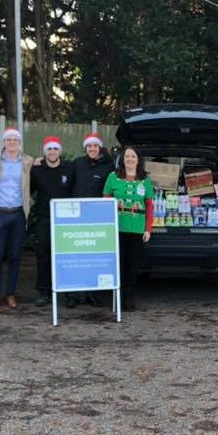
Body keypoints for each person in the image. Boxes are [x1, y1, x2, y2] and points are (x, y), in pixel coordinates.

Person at [0, 127, 33, 310]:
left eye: (15, 140)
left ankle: (10, 294)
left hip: (18, 214)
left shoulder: (27, 161)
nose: (12, 143)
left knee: (15, 256)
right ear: (4, 142)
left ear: (19, 143)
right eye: (8, 140)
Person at [103, 145, 154, 311]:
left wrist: (148, 228)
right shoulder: (113, 177)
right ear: (122, 159)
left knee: (132, 265)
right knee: (118, 263)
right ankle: (117, 296)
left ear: (138, 159)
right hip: (117, 226)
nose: (130, 159)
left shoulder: (144, 179)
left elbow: (150, 206)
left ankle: (129, 297)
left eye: (133, 156)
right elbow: (105, 201)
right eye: (127, 156)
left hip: (136, 228)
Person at [70, 132, 115, 306]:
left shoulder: (108, 166)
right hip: (76, 216)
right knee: (75, 256)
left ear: (100, 147)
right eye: (89, 146)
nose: (92, 149)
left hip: (97, 217)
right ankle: (73, 294)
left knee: (94, 256)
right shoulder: (77, 164)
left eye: (95, 146)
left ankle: (92, 293)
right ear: (85, 148)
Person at [30, 136, 75, 307]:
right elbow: (29, 190)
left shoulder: (69, 169)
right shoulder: (37, 170)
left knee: (66, 256)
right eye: (49, 149)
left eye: (55, 149)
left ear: (60, 152)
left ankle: (69, 293)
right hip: (44, 219)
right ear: (45, 152)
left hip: (66, 221)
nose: (52, 152)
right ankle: (44, 292)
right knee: (43, 255)